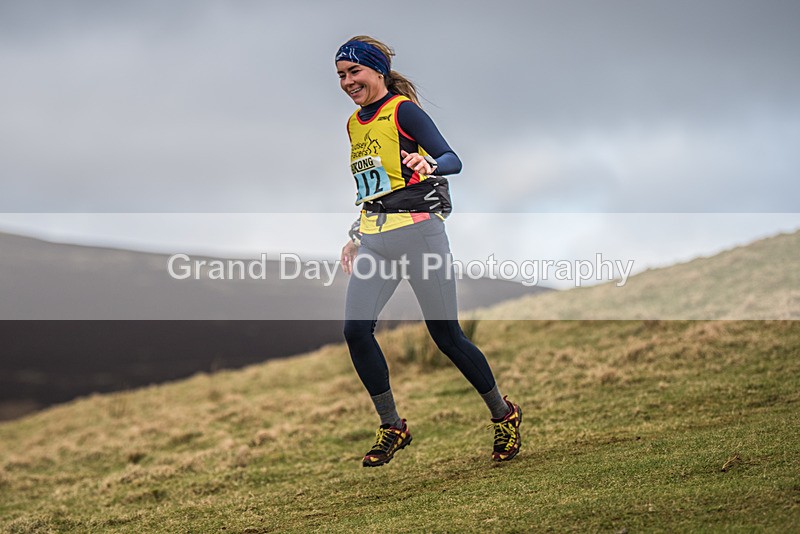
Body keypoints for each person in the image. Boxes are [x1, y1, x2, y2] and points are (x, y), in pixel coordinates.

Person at [335, 36, 522, 467]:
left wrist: (430, 164)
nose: (347, 82)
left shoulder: (403, 111)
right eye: (341, 76)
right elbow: (374, 186)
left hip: (420, 237)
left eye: (354, 72)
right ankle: (392, 426)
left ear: (376, 71)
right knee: (355, 330)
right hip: (376, 240)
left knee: (447, 337)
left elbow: (451, 157)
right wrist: (355, 233)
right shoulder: (353, 124)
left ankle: (503, 414)